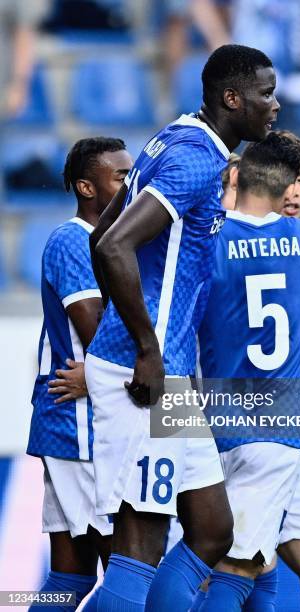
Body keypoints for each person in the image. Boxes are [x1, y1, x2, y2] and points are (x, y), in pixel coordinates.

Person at [84, 43, 280, 612]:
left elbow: (103, 239)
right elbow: (116, 245)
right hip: (142, 373)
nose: (275, 104)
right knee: (141, 541)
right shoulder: (196, 161)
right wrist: (144, 346)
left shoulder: (176, 136)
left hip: (166, 372)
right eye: (266, 93)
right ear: (232, 98)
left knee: (213, 529)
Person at [195, 132, 300, 611]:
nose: (297, 191)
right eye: (290, 179)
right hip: (251, 427)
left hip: (276, 429)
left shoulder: (216, 240)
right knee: (233, 567)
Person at [26, 137, 133, 611]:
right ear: (87, 187)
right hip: (80, 424)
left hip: (83, 414)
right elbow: (96, 332)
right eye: (120, 176)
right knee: (127, 567)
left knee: (69, 576)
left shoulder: (119, 240)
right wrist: (106, 373)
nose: (130, 184)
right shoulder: (74, 240)